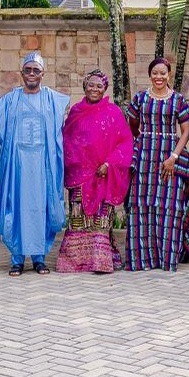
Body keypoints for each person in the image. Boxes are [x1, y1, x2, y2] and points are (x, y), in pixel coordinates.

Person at [0, 51, 69, 275]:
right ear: (22, 73)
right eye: (28, 70)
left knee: (41, 209)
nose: (32, 73)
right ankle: (17, 259)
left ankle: (39, 258)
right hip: (18, 167)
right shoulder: (9, 100)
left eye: (36, 70)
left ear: (43, 73)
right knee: (16, 208)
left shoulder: (54, 100)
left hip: (43, 167)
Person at [58, 69, 133, 273]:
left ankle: (101, 261)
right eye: (91, 85)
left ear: (104, 89)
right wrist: (79, 163)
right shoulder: (76, 111)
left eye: (99, 86)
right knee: (77, 220)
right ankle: (74, 262)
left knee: (102, 220)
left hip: (103, 176)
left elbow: (125, 143)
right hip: (80, 177)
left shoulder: (113, 113)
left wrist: (108, 164)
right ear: (85, 86)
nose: (94, 89)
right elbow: (67, 141)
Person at [126, 57, 189, 271]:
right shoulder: (140, 98)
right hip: (145, 158)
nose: (159, 77)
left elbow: (186, 131)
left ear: (169, 74)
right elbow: (133, 124)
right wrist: (142, 141)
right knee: (141, 204)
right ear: (150, 75)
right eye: (155, 73)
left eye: (163, 73)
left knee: (170, 206)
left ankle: (166, 258)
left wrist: (174, 157)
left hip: (169, 158)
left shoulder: (177, 100)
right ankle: (142, 259)